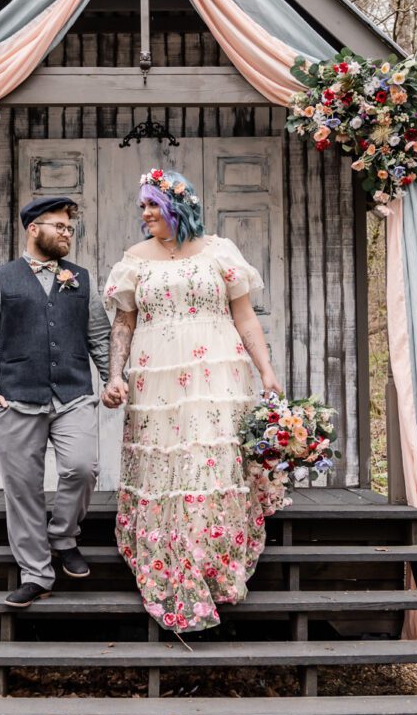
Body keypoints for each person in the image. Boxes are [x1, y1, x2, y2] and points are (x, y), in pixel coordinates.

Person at [101, 169, 283, 633]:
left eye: (151, 205)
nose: (144, 214)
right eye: (141, 206)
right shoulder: (135, 259)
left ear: (176, 207)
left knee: (211, 460)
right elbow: (123, 324)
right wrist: (115, 374)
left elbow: (246, 318)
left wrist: (267, 372)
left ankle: (212, 560)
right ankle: (173, 562)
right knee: (169, 468)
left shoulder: (221, 253)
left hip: (217, 372)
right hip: (156, 380)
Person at [0, 196, 110, 607]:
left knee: (82, 468)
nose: (68, 234)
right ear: (34, 229)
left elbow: (98, 338)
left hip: (73, 395)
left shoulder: (81, 280)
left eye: (70, 228)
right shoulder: (1, 280)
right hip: (15, 400)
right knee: (23, 489)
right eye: (60, 227)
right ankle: (36, 573)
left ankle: (64, 537)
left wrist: (112, 378)